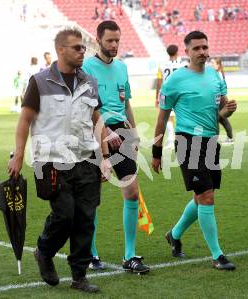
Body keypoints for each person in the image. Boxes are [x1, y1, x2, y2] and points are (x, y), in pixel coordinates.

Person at [8, 28, 112, 293]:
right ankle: (44, 251)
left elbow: (96, 119)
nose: (82, 51)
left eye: (83, 48)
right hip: (51, 161)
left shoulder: (90, 81)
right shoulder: (39, 81)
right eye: (76, 47)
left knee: (86, 218)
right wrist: (18, 155)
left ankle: (80, 276)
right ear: (60, 50)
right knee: (65, 215)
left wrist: (105, 158)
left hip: (86, 159)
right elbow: (25, 120)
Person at [152, 31, 237, 271]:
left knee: (201, 197)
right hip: (188, 142)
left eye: (205, 47)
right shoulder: (175, 80)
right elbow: (162, 118)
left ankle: (174, 234)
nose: (202, 52)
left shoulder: (215, 77)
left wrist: (227, 111)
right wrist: (157, 151)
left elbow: (219, 111)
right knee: (207, 196)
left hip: (211, 142)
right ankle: (217, 255)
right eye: (197, 48)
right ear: (187, 51)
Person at [82, 20, 150, 274]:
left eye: (117, 40)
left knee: (131, 191)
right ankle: (90, 252)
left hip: (121, 133)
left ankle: (130, 256)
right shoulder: (87, 66)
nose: (114, 45)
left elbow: (126, 102)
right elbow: (90, 106)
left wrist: (132, 133)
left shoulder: (122, 67)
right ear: (98, 40)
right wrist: (105, 131)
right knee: (92, 197)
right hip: (95, 131)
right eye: (109, 40)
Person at [155, 44, 187, 149]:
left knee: (167, 118)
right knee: (182, 117)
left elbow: (159, 82)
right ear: (177, 52)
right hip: (180, 94)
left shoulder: (162, 65)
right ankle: (181, 140)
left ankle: (170, 140)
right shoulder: (182, 65)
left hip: (166, 93)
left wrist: (157, 97)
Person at [210, 57, 234, 144]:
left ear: (218, 65)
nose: (210, 65)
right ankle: (230, 137)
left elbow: (219, 89)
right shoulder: (217, 74)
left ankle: (215, 139)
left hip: (218, 100)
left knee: (216, 119)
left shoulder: (218, 74)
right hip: (219, 99)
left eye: (213, 63)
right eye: (210, 63)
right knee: (222, 119)